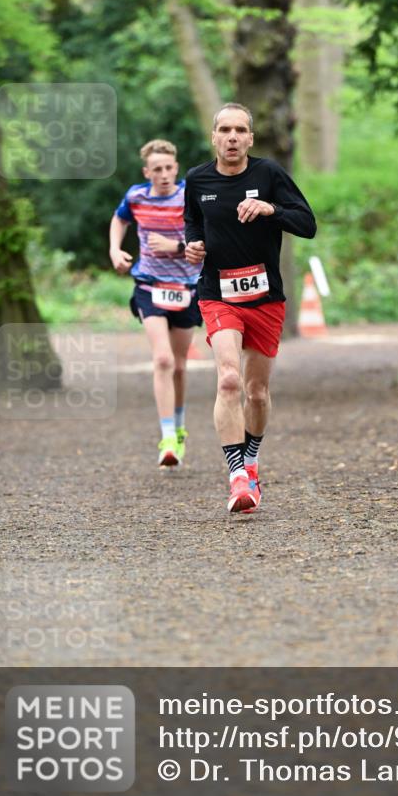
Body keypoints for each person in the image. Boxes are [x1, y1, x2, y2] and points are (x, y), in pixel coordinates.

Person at [184, 103, 317, 513]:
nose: (232, 137)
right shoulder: (197, 179)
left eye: (240, 130)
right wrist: (193, 245)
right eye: (225, 129)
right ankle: (237, 476)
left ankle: (252, 461)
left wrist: (271, 209)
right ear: (213, 136)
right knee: (228, 380)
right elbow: (193, 222)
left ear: (250, 138)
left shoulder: (269, 174)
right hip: (218, 294)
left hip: (264, 298)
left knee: (256, 392)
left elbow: (307, 224)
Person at [109, 138, 203, 467]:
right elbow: (119, 219)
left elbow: (206, 237)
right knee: (162, 359)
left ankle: (179, 428)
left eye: (168, 168)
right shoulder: (136, 196)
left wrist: (175, 246)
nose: (163, 174)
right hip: (149, 286)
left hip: (187, 287)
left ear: (176, 169)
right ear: (146, 172)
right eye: (157, 169)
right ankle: (167, 438)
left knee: (179, 366)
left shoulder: (190, 196)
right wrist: (115, 250)